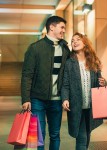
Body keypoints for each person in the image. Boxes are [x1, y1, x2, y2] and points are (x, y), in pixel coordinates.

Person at [21, 16, 70, 150]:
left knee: (55, 134)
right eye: (62, 27)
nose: (64, 31)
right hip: (38, 99)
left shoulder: (65, 49)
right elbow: (27, 75)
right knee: (37, 135)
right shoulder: (35, 48)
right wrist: (26, 98)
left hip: (57, 100)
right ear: (51, 27)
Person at [61, 32, 106, 150]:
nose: (74, 42)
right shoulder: (69, 63)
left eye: (77, 39)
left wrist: (103, 82)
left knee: (87, 134)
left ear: (85, 43)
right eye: (72, 40)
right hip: (77, 106)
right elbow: (65, 84)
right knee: (82, 138)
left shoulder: (93, 61)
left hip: (91, 106)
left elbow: (99, 82)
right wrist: (65, 98)